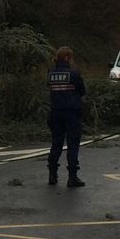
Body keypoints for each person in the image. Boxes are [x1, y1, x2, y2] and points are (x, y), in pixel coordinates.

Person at [47, 46, 86, 188]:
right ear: (67, 58)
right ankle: (72, 177)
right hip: (71, 113)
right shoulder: (73, 74)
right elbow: (82, 91)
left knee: (56, 143)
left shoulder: (50, 73)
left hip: (55, 113)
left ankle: (52, 174)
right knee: (73, 145)